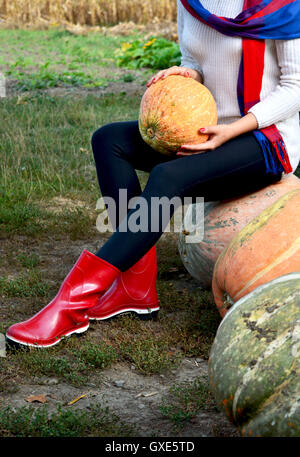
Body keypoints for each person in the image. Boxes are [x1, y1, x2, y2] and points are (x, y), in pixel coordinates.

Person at [6, 0, 300, 348]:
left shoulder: (282, 4)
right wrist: (186, 73)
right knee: (109, 140)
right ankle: (135, 288)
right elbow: (196, 61)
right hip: (204, 129)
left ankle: (71, 304)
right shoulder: (191, 3)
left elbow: (294, 87)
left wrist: (233, 129)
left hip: (262, 140)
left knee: (167, 177)